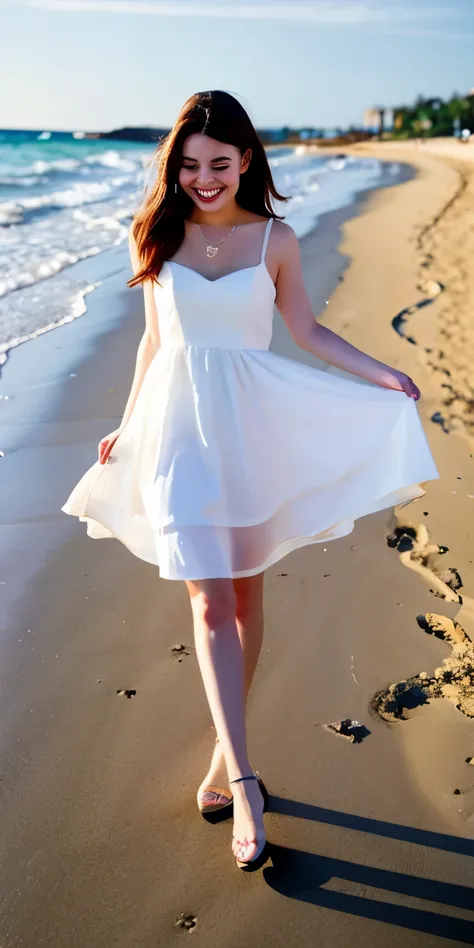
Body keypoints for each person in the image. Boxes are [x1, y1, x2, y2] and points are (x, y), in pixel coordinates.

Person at [62, 90, 439, 871]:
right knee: (205, 598)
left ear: (246, 162)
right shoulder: (156, 237)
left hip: (251, 429)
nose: (205, 179)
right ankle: (243, 776)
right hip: (177, 432)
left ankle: (218, 756)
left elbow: (305, 329)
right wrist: (126, 424)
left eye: (220, 164)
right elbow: (153, 345)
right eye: (191, 165)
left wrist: (382, 372)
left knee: (244, 598)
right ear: (176, 167)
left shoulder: (276, 238)